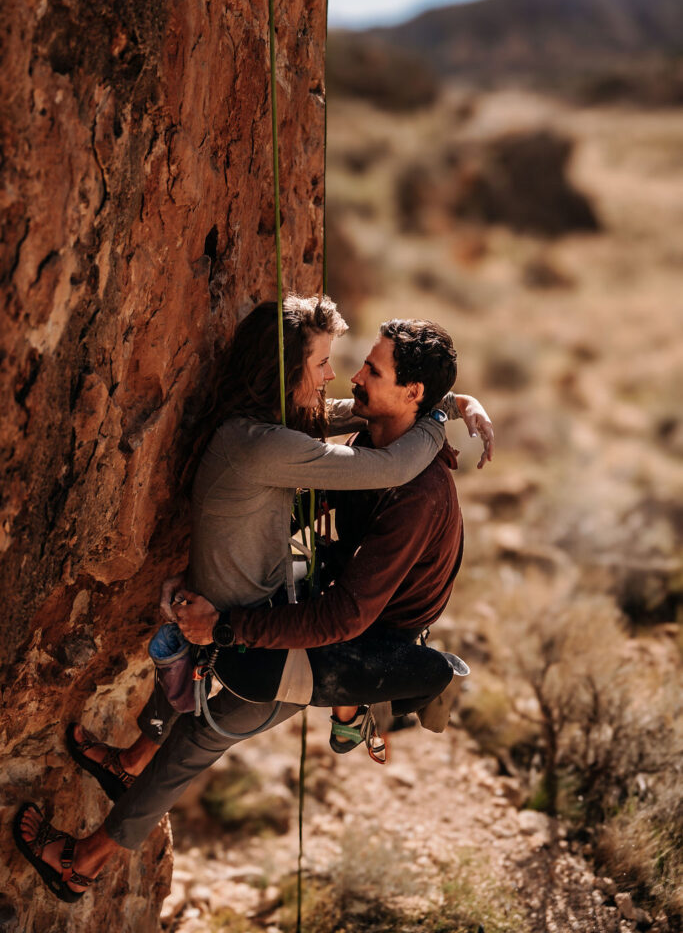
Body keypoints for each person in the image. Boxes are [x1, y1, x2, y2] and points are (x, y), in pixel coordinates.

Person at [14, 294, 493, 902]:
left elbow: (347, 613)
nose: (347, 375)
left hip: (348, 640)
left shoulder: (414, 492)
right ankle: (130, 764)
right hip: (330, 606)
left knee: (199, 737)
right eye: (334, 362)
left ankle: (85, 861)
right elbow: (346, 426)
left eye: (371, 370)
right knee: (203, 638)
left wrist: (230, 628)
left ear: (412, 394)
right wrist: (448, 407)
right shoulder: (345, 435)